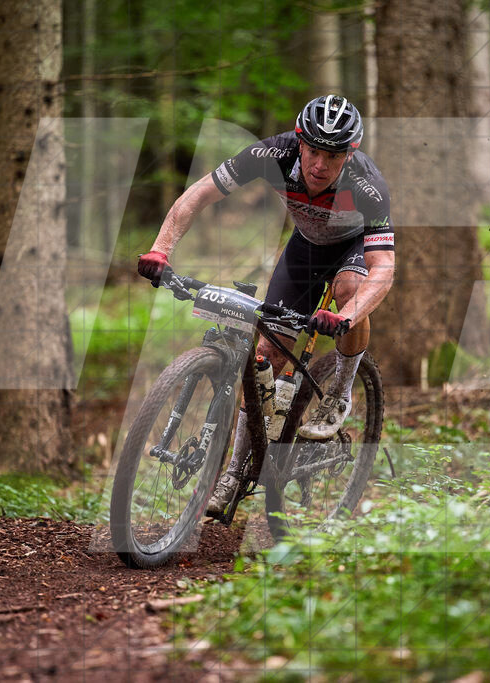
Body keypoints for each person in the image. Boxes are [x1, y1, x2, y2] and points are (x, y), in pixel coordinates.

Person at [137, 95, 395, 514]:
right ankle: (235, 472)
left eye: (332, 156)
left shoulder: (367, 185)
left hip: (352, 248)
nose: (319, 165)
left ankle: (339, 393)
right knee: (267, 356)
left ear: (350, 154)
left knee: (351, 288)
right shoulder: (271, 154)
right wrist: (160, 250)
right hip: (305, 248)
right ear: (299, 141)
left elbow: (383, 267)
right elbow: (200, 193)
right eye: (313, 151)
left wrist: (344, 317)